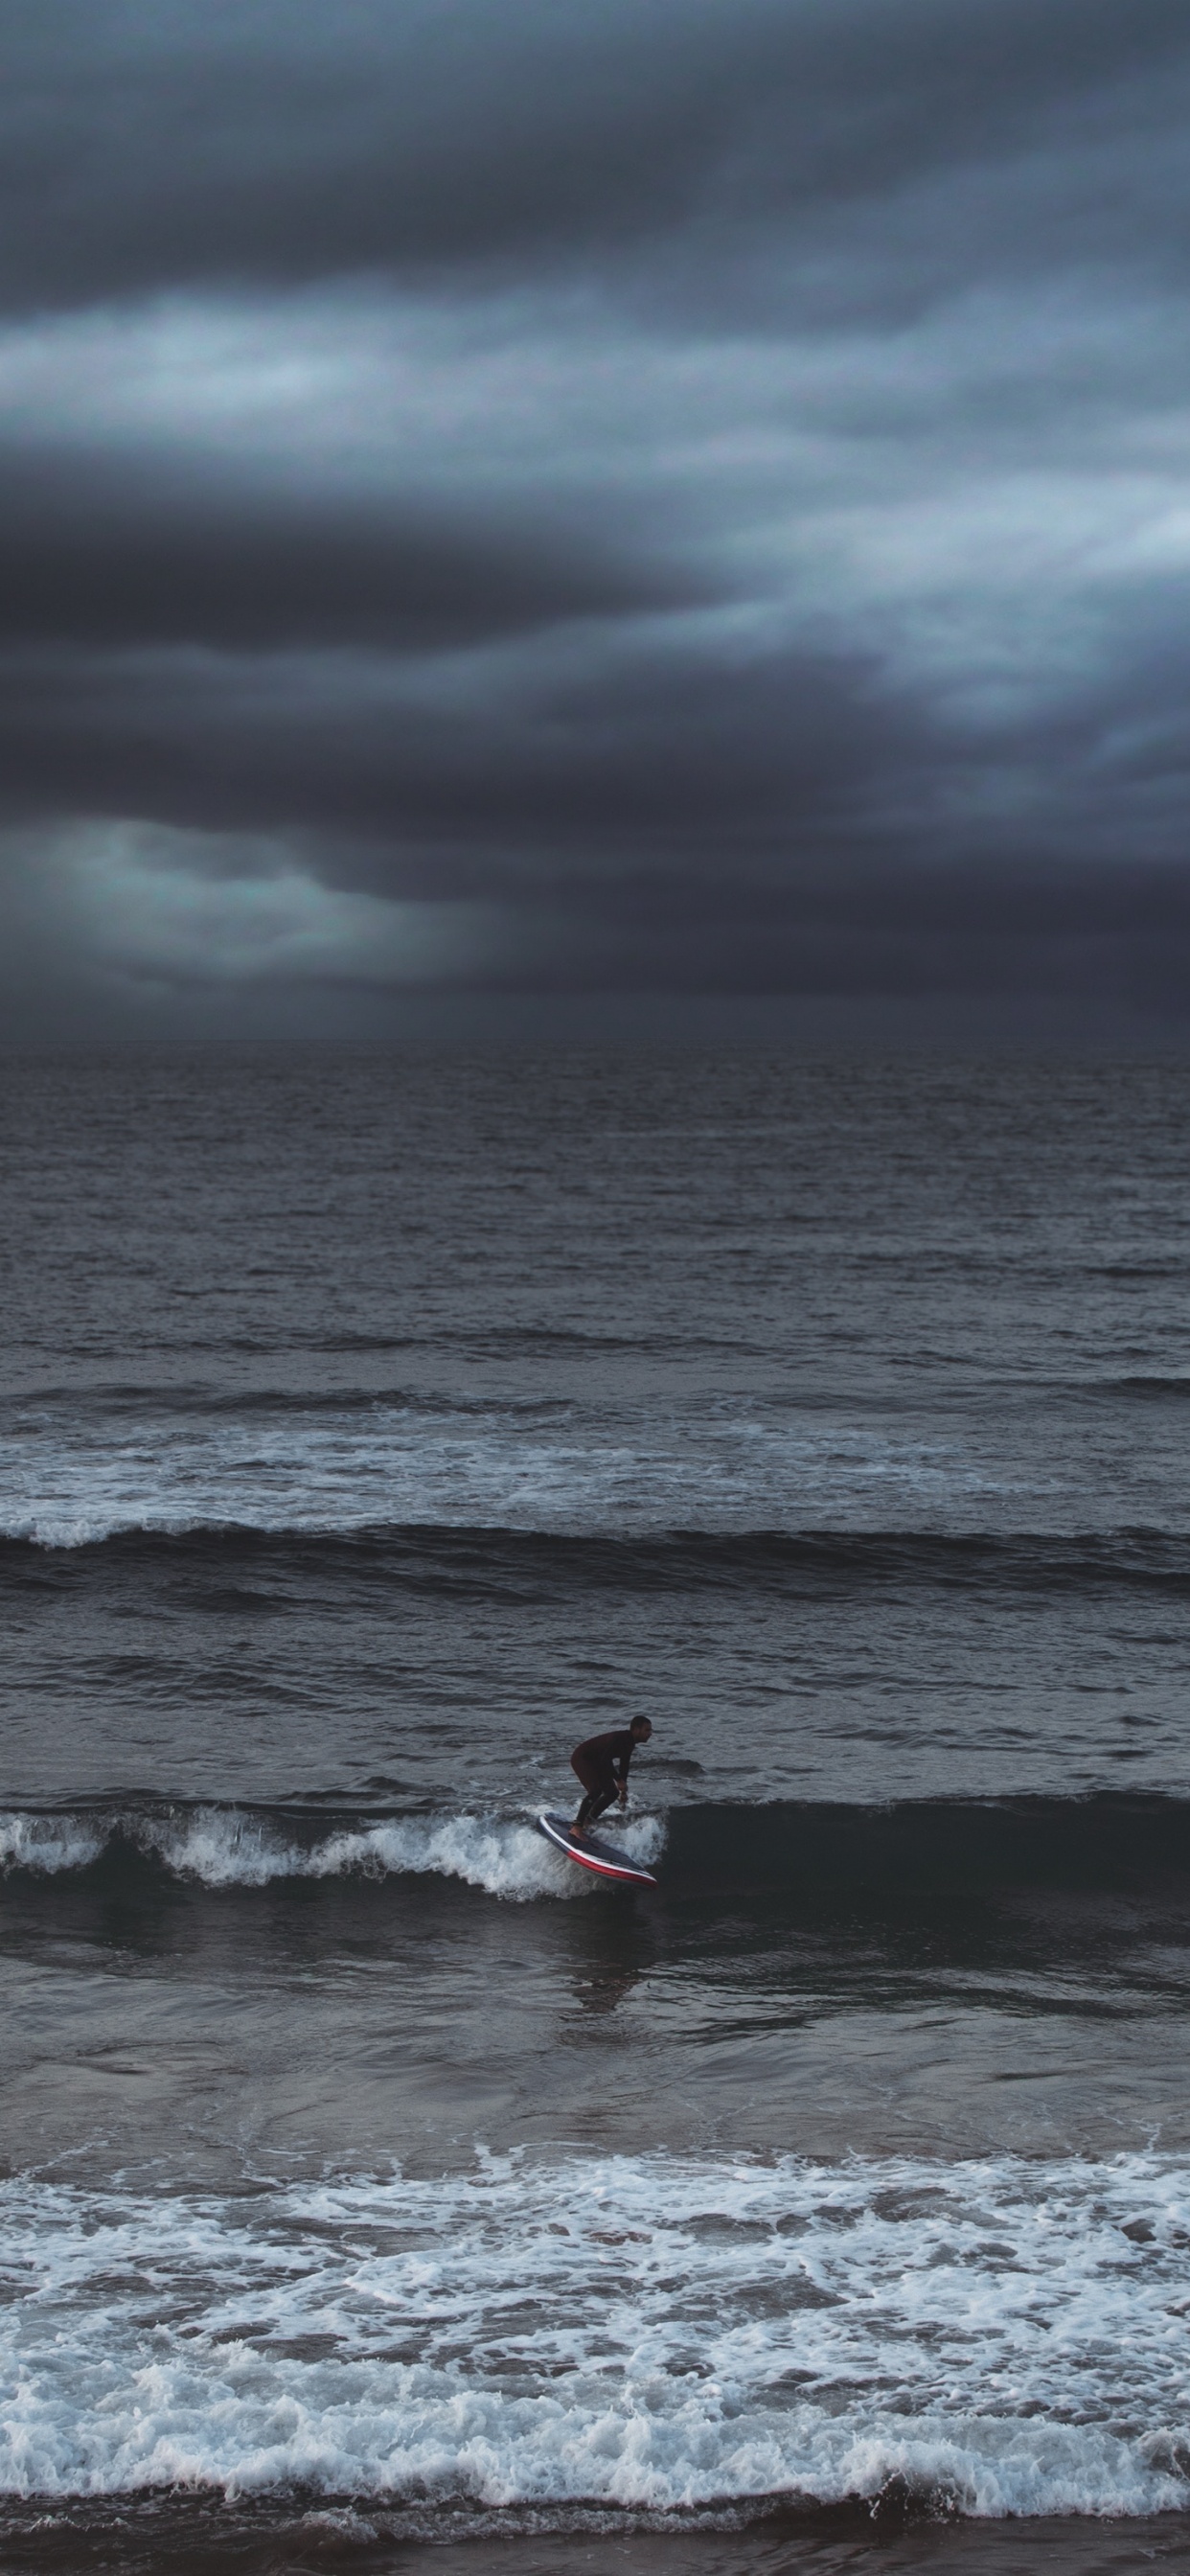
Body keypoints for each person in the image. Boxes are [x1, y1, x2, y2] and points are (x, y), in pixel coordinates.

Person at [569, 1717, 652, 1836]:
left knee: (612, 1793)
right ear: (636, 1729)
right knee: (596, 1791)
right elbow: (605, 1759)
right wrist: (618, 1780)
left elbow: (624, 1765)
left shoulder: (630, 1743)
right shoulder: (621, 1738)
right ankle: (576, 1827)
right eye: (647, 1730)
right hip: (582, 1758)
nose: (650, 1734)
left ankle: (588, 1820)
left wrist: (623, 1790)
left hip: (596, 1761)